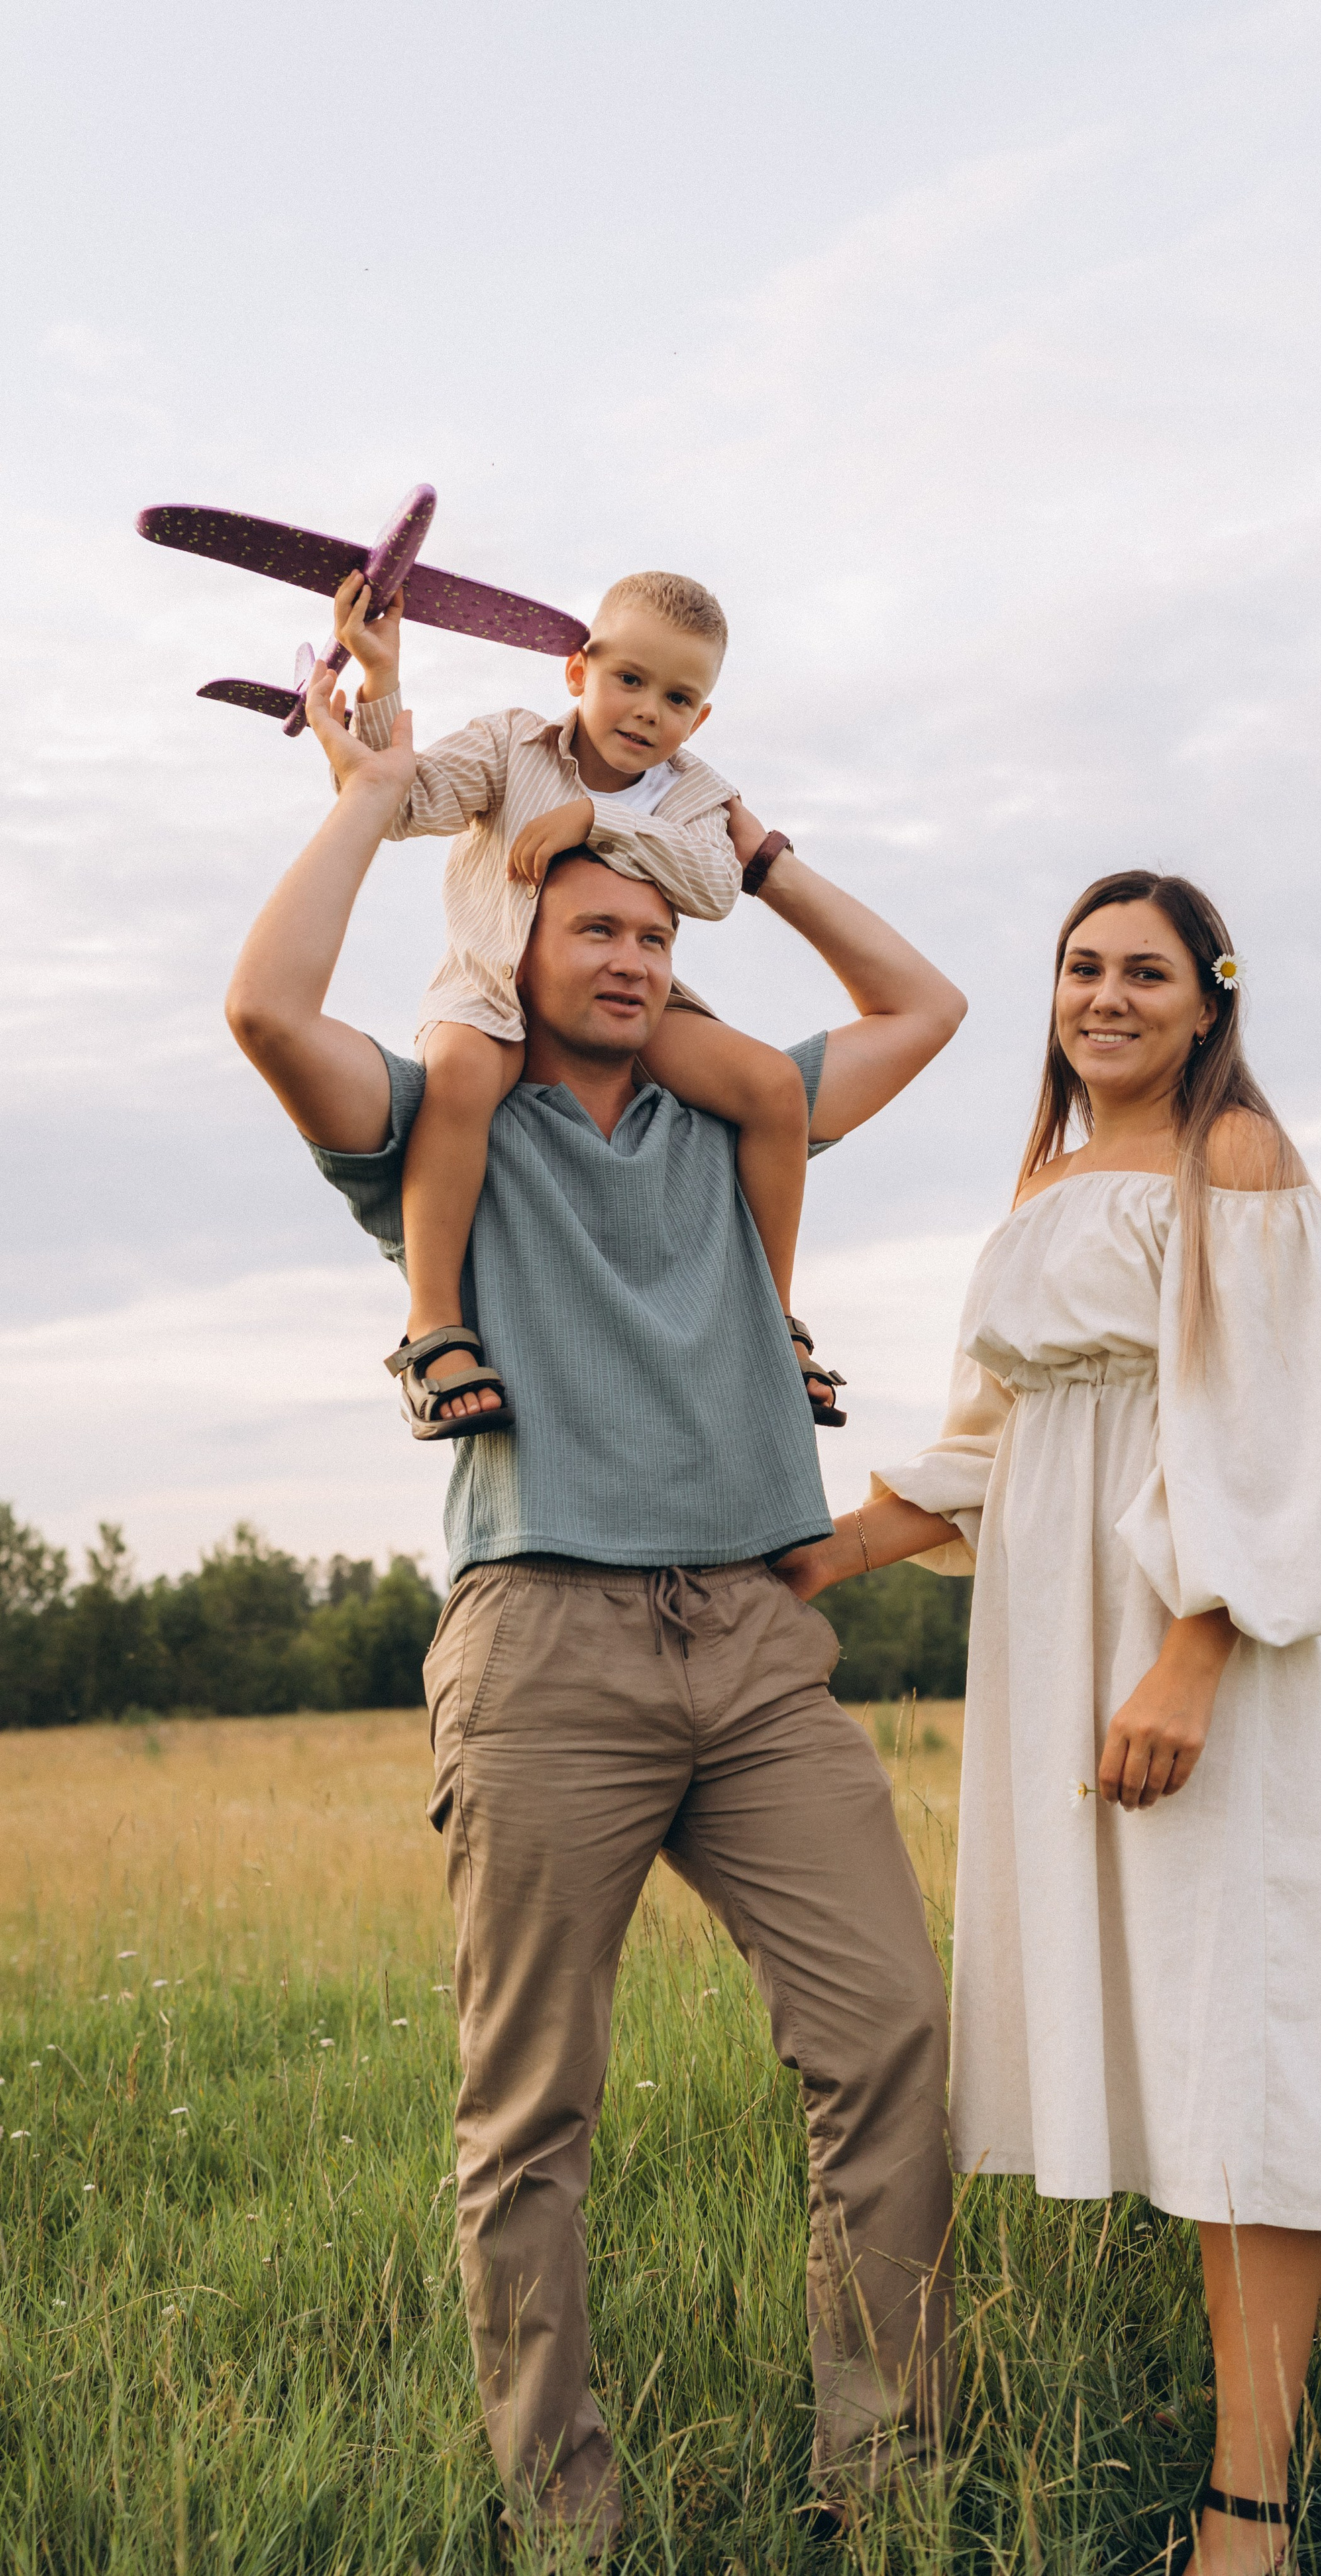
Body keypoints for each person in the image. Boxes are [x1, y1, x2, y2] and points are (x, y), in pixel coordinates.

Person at [224, 663, 967, 2555]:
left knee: (891, 2034)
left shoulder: (734, 1117)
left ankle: (884, 2484)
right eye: (595, 929)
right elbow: (265, 1010)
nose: (631, 958)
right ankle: (567, 2512)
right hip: (545, 1642)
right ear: (518, 942)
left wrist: (758, 857)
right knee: (532, 2108)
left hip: (758, 1644)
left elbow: (924, 1007)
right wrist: (374, 793)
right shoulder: (439, 1128)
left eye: (654, 935)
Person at [778, 869, 1321, 2573]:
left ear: (1209, 1001)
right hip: (1048, 1638)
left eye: (1144, 972)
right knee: (1158, 2023)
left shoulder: (1234, 1159)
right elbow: (989, 1440)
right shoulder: (1044, 1181)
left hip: (1188, 1638)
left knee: (1232, 2021)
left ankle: (1249, 2509)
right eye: (1078, 967)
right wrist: (815, 1557)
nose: (1103, 997)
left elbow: (1274, 1429)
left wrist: (1191, 1652)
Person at [324, 562, 844, 1439]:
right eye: (629, 680)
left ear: (700, 718)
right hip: (491, 985)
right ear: (578, 672)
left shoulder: (697, 794)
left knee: (772, 1086)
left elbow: (716, 884)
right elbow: (403, 805)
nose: (648, 712)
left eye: (677, 699)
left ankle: (772, 1315)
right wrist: (380, 679)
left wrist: (597, 822)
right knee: (460, 1077)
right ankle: (434, 1323)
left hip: (623, 1009)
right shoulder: (512, 746)